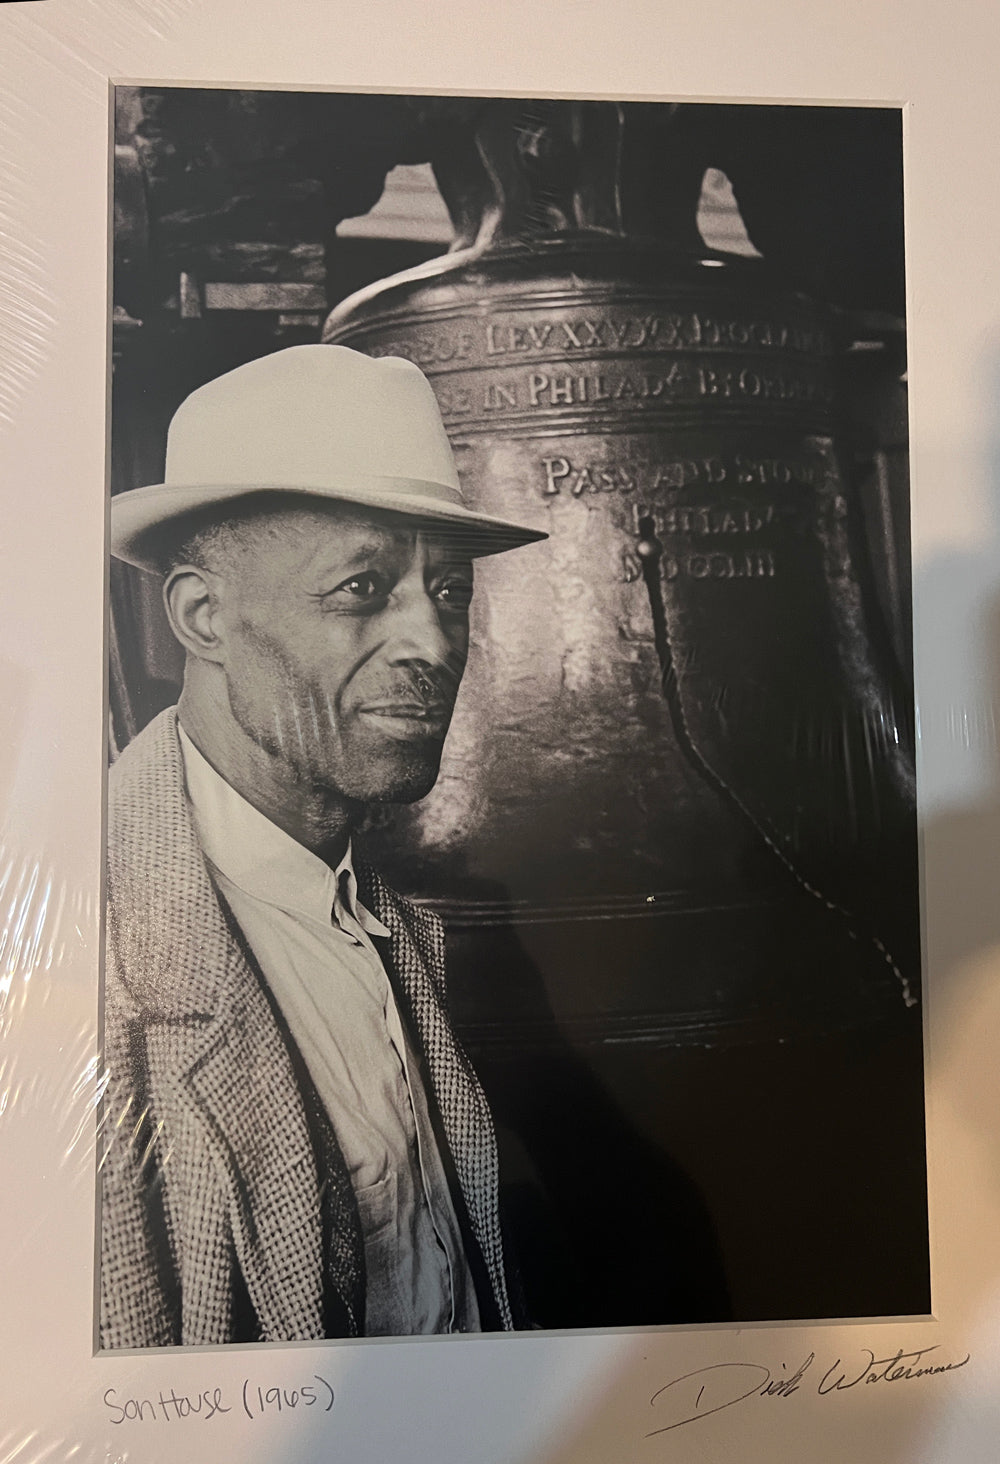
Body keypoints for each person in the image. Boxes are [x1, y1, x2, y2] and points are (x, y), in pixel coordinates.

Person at [100, 344, 546, 1349]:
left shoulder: (377, 915)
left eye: (447, 591)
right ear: (203, 616)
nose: (431, 646)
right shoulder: (88, 975)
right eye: (360, 588)